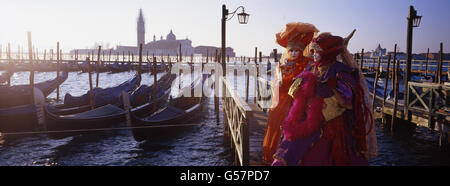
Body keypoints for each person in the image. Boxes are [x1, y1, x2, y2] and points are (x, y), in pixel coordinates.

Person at [272, 32, 378, 166]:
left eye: (318, 51)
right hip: (306, 117)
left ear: (328, 53)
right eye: (313, 51)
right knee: (291, 149)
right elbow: (295, 91)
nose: (314, 54)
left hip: (330, 123)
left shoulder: (341, 72)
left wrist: (332, 90)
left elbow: (348, 102)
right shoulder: (312, 68)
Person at [262, 22, 319, 165]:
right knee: (277, 125)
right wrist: (278, 84)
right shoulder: (282, 66)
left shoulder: (307, 64)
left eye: (296, 51)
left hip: (297, 103)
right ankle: (276, 155)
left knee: (293, 129)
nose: (293, 53)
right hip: (281, 101)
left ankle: (291, 157)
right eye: (291, 51)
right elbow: (277, 84)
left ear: (301, 51)